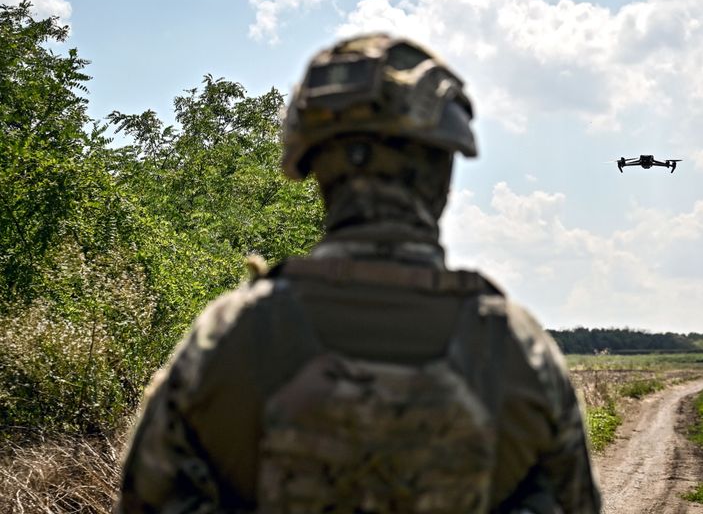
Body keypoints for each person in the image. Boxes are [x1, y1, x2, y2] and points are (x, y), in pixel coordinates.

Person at [117, 33, 601, 514]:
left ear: (315, 167)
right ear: (441, 170)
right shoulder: (518, 350)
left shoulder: (227, 339)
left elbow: (147, 498)